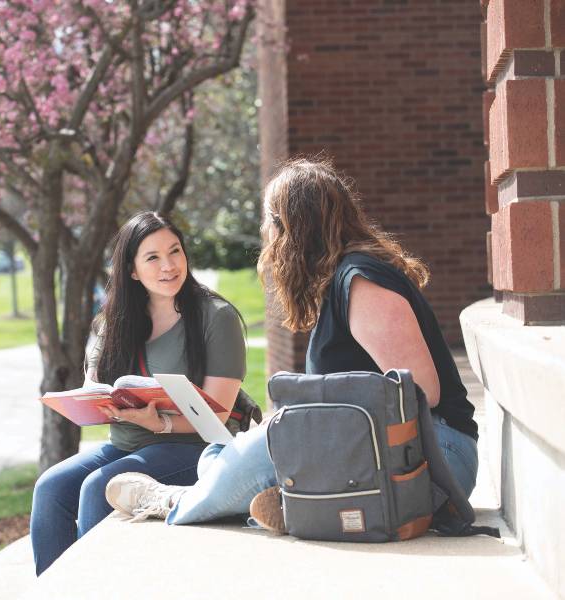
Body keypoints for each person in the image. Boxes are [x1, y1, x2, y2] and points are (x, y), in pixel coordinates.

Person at [104, 157, 479, 531]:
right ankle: (280, 504)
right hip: (386, 452)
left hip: (435, 458)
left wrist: (308, 419)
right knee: (227, 453)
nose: (265, 231)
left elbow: (422, 394)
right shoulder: (343, 280)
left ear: (294, 227)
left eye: (269, 219)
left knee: (260, 447)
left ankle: (174, 500)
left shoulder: (362, 284)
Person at [30, 211, 247, 575]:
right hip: (126, 444)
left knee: (98, 487)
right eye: (153, 257)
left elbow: (219, 416)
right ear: (132, 270)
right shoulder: (112, 321)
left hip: (192, 448)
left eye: (175, 251)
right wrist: (96, 400)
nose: (169, 265)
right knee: (50, 488)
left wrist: (159, 424)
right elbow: (95, 384)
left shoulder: (216, 317)